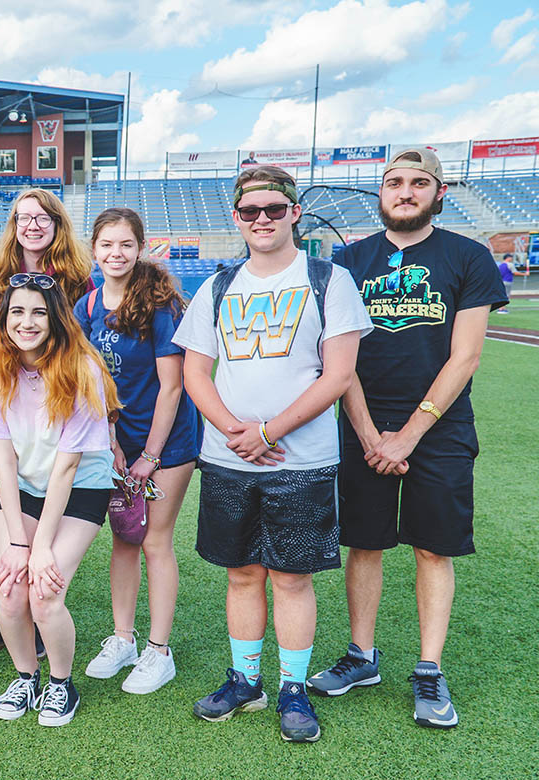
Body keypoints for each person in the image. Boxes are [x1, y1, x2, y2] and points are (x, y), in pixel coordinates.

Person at [308, 148, 507, 729]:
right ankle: (361, 656)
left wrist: (409, 435)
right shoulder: (347, 262)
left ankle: (428, 668)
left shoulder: (467, 257)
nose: (405, 191)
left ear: (438, 193)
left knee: (432, 548)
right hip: (361, 424)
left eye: (419, 182)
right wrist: (372, 433)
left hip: (439, 428)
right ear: (381, 194)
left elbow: (465, 354)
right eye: (394, 182)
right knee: (364, 543)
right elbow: (338, 360)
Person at [172, 165, 371, 743]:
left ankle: (292, 688)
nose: (262, 220)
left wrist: (269, 431)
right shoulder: (218, 285)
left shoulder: (327, 279)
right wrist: (238, 430)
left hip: (300, 461)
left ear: (294, 215)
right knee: (241, 573)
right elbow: (194, 373)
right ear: (237, 219)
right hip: (229, 457)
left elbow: (338, 375)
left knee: (290, 578)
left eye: (274, 210)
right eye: (250, 212)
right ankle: (245, 680)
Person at [0, 272, 120, 726]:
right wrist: (18, 544)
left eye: (38, 311)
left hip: (80, 486)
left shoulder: (83, 368)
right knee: (9, 588)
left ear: (56, 318)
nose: (27, 321)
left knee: (44, 591)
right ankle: (25, 675)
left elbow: (68, 467)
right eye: (17, 311)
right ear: (5, 318)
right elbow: (2, 462)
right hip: (21, 483)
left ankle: (61, 683)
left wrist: (39, 550)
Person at [74, 208, 201, 695]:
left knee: (153, 540)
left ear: (141, 248)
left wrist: (149, 454)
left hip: (166, 444)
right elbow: (95, 380)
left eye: (126, 244)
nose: (116, 254)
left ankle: (158, 651)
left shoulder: (160, 305)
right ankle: (123, 638)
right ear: (94, 249)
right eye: (107, 245)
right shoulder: (87, 306)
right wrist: (109, 443)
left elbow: (172, 389)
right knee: (124, 538)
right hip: (117, 444)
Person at [0, 187, 93, 653]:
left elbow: (89, 349)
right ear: (13, 227)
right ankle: (9, 601)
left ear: (58, 224)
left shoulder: (80, 282)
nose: (33, 225)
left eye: (43, 217)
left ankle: (38, 607)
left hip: (63, 419)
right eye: (23, 218)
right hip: (8, 417)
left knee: (47, 523)